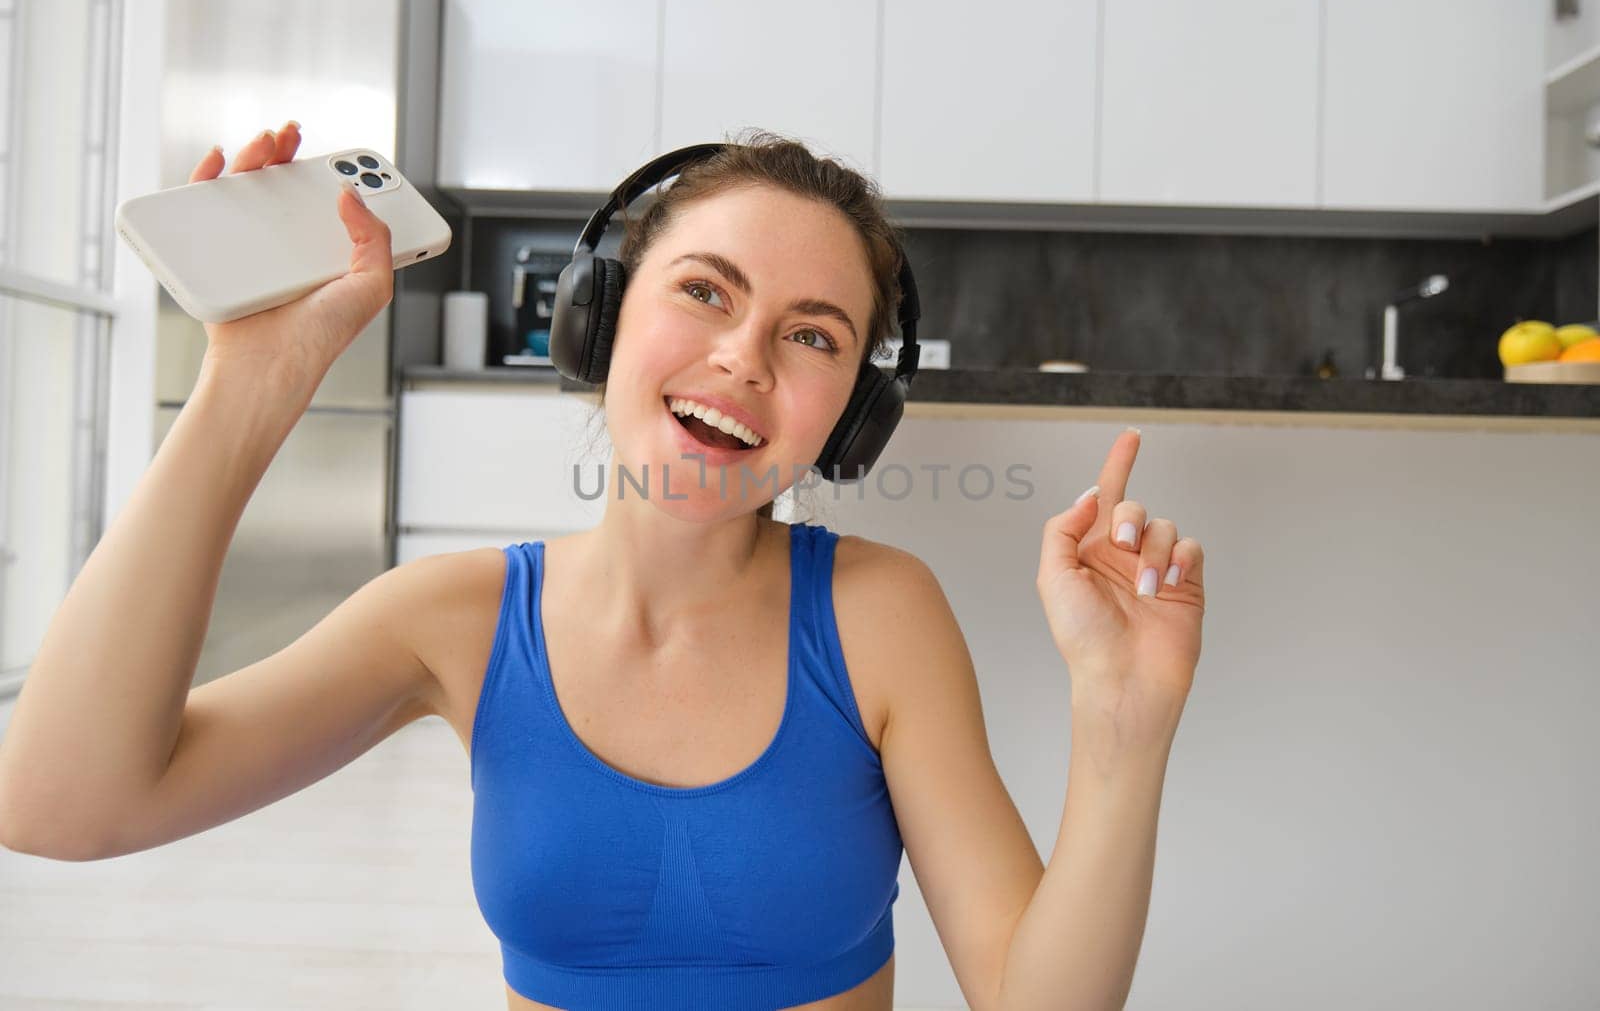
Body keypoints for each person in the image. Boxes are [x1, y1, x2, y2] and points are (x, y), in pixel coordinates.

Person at [0, 121, 1208, 1011]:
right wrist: (246, 388)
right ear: (600, 320)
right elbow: (60, 805)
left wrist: (1123, 721)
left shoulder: (879, 615)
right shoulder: (454, 619)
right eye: (704, 292)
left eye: (810, 334)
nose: (743, 357)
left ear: (850, 415)